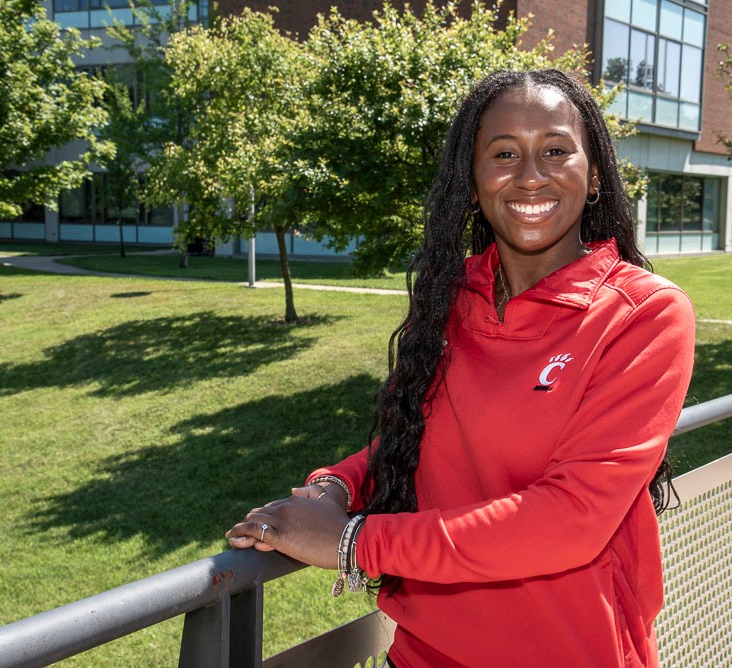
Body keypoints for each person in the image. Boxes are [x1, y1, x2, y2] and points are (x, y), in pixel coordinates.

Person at [227, 69, 695, 667]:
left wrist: (353, 541)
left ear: (596, 173)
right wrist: (333, 488)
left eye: (556, 150)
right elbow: (418, 441)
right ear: (472, 183)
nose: (531, 175)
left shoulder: (643, 313)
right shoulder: (450, 299)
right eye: (504, 154)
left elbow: (569, 520)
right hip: (419, 655)